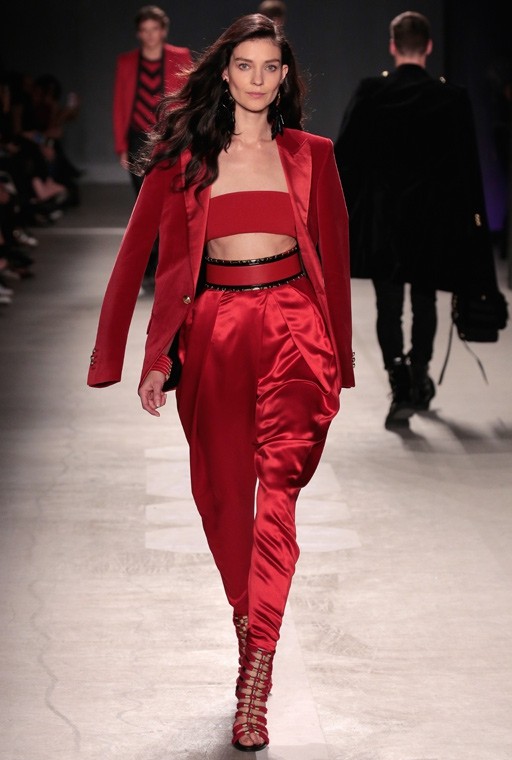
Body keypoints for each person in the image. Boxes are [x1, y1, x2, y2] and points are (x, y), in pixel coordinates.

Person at [89, 13, 353, 752]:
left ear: (285, 77)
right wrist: (142, 357)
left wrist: (341, 355)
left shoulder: (313, 156)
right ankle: (250, 625)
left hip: (296, 328)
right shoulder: (183, 160)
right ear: (225, 72)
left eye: (271, 67)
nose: (258, 80)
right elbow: (139, 255)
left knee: (279, 498)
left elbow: (334, 256)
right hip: (214, 331)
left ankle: (255, 678)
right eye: (245, 65)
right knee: (223, 498)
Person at [335, 11, 500, 427]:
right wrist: (473, 230)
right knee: (425, 300)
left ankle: (400, 381)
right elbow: (467, 170)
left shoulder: (372, 92)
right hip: (432, 222)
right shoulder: (451, 98)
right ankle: (420, 374)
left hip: (384, 222)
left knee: (388, 306)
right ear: (428, 46)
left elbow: (345, 160)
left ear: (393, 45)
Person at [113, 5, 192, 285]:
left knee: (168, 202)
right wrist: (121, 146)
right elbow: (121, 104)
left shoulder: (180, 57)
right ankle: (150, 264)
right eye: (144, 30)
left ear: (163, 30)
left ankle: (163, 262)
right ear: (138, 33)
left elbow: (187, 99)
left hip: (168, 137)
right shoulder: (126, 62)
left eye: (154, 29)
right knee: (143, 205)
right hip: (137, 139)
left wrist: (185, 137)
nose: (149, 35)